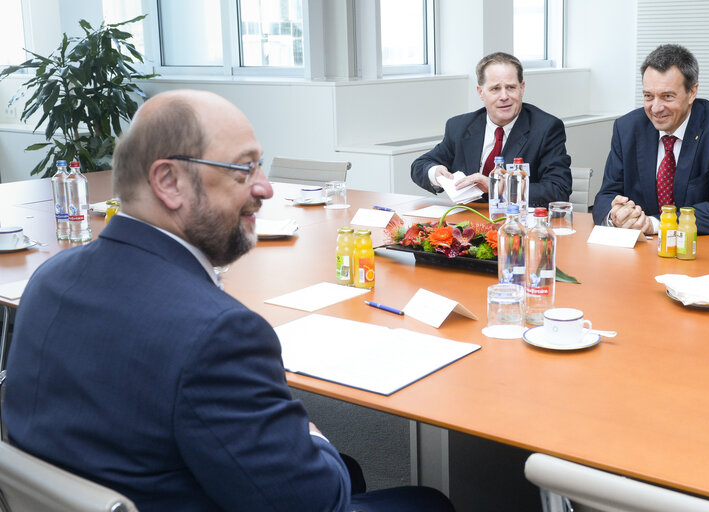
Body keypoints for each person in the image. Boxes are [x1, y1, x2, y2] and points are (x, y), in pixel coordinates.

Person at [4, 90, 453, 512]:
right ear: (169, 181)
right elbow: (317, 503)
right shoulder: (217, 333)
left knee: (350, 468)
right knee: (426, 500)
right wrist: (310, 433)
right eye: (244, 169)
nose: (266, 188)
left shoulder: (49, 279)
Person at [593, 44, 709, 235]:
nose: (656, 108)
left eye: (667, 97)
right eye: (648, 96)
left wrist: (655, 224)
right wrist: (616, 215)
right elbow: (606, 195)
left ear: (692, 92)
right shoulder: (627, 128)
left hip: (702, 247)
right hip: (641, 251)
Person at [411, 52, 572, 207]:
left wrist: (497, 187)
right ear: (481, 92)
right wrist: (436, 173)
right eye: (495, 89)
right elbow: (420, 165)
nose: (504, 96)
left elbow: (558, 190)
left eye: (510, 87)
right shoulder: (460, 126)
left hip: (517, 223)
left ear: (522, 88)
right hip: (469, 221)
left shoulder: (546, 128)